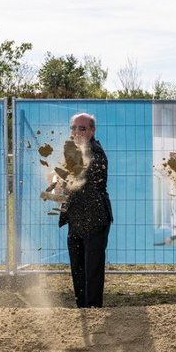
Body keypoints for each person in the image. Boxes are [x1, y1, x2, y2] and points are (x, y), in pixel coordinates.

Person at [57, 113, 112, 308]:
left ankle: (93, 308)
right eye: (73, 128)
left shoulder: (95, 152)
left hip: (95, 219)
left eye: (82, 128)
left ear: (91, 131)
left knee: (92, 270)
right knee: (78, 269)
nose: (76, 132)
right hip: (76, 219)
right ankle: (82, 308)